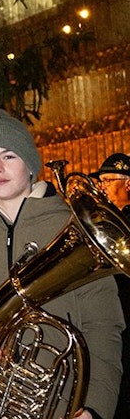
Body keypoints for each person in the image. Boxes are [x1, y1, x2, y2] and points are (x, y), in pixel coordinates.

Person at [0, 111, 123, 419]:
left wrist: (95, 409)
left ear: (30, 162)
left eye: (8, 155)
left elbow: (104, 327)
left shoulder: (71, 223)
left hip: (64, 406)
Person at [92, 152, 130, 419]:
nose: (101, 186)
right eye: (101, 181)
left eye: (108, 180)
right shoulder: (103, 218)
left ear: (128, 183)